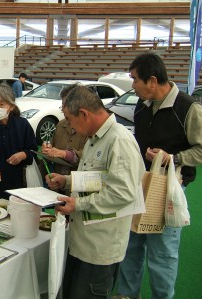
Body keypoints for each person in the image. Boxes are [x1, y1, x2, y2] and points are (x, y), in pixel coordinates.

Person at [115, 53, 202, 299]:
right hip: (140, 185)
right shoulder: (141, 106)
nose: (132, 85)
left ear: (152, 80)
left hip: (169, 190)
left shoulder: (188, 108)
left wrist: (172, 158)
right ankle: (126, 295)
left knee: (162, 253)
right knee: (131, 246)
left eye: (134, 79)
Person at [46, 85, 144, 299]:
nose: (69, 125)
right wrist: (67, 181)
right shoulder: (95, 138)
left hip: (100, 249)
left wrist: (78, 205)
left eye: (70, 120)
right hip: (82, 241)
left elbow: (122, 193)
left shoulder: (119, 141)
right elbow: (97, 179)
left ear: (84, 114)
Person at [41, 85, 87, 177]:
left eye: (66, 105)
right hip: (57, 182)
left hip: (76, 185)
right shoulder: (61, 125)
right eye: (62, 104)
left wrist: (64, 154)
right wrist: (47, 149)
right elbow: (52, 147)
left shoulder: (88, 128)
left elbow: (87, 158)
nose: (63, 109)